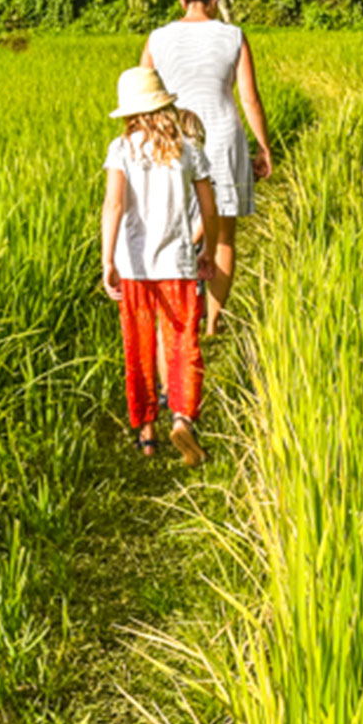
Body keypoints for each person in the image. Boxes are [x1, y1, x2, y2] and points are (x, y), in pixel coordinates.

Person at [140, 0, 273, 334]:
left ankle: (176, 314)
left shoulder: (157, 38)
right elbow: (249, 97)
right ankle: (212, 323)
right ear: (214, 2)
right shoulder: (233, 36)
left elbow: (142, 94)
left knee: (175, 227)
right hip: (222, 137)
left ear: (183, 1)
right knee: (225, 236)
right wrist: (263, 147)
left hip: (173, 140)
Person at [100, 66, 219, 466]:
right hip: (179, 264)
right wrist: (207, 251)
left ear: (131, 112)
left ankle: (147, 435)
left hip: (134, 265)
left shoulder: (123, 149)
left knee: (139, 346)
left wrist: (107, 258)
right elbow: (208, 206)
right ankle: (182, 416)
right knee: (183, 344)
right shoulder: (188, 148)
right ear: (164, 105)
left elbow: (114, 205)